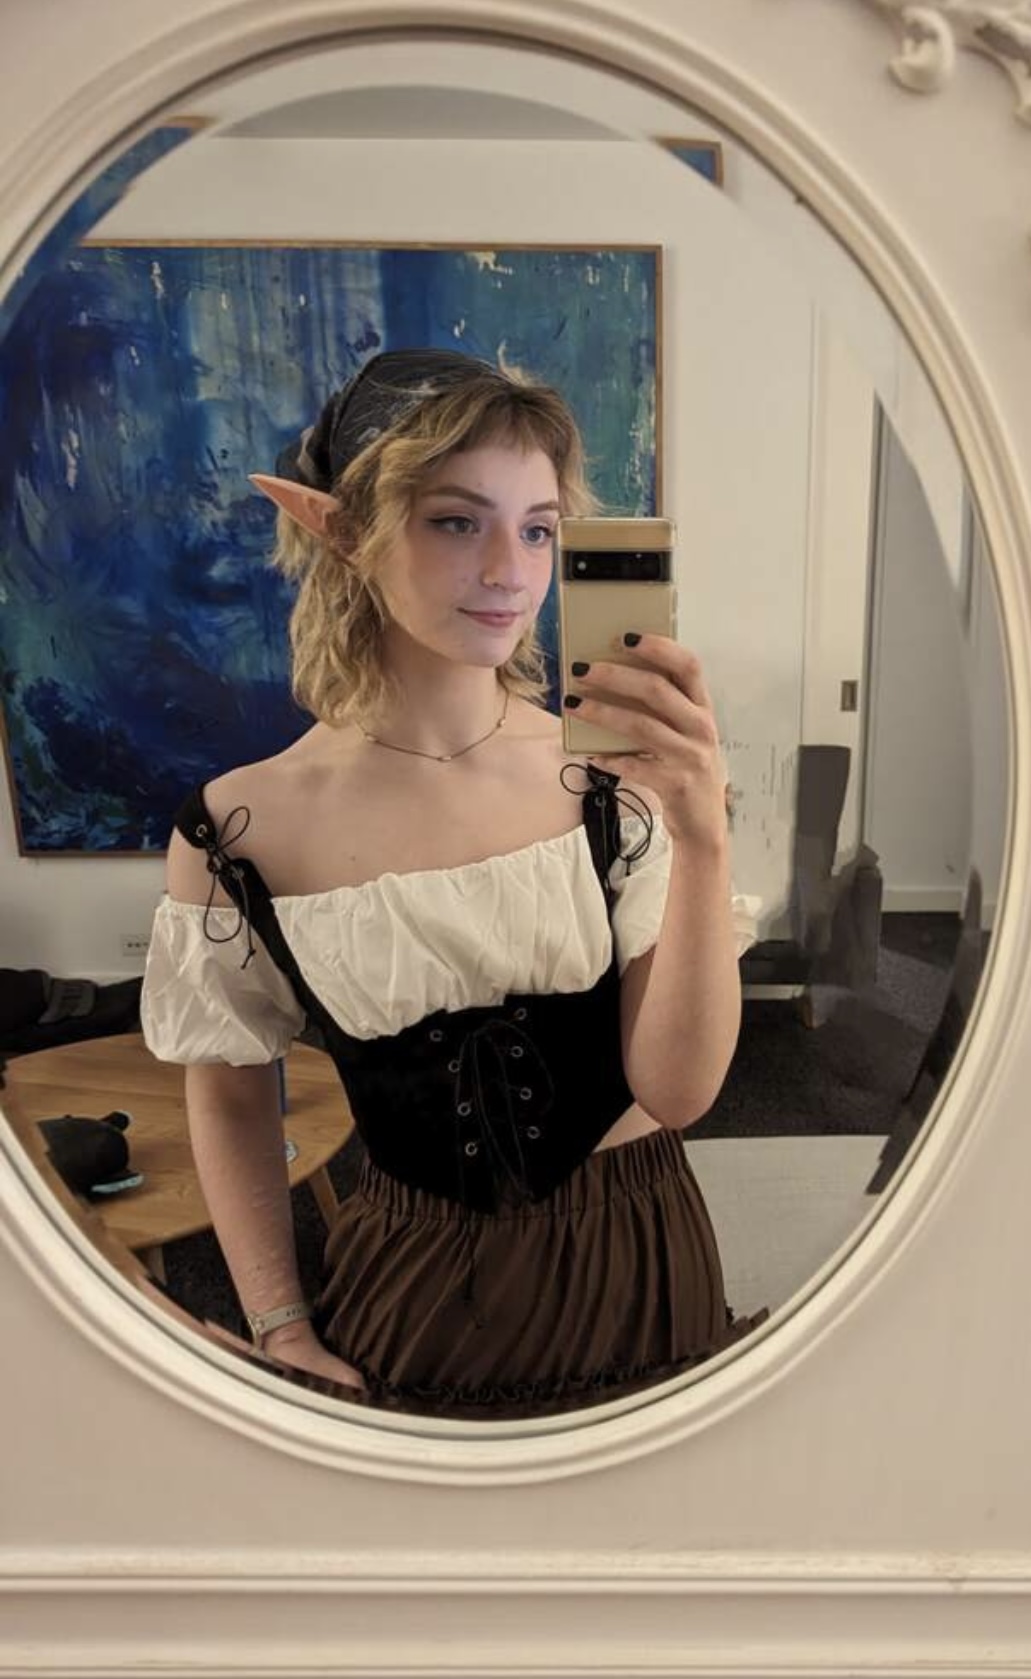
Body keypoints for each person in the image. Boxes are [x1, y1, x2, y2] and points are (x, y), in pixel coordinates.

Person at [139, 348, 761, 1418]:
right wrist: (280, 1319)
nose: (512, 571)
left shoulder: (612, 782)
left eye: (538, 528)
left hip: (638, 1250)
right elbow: (233, 1087)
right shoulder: (239, 829)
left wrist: (703, 835)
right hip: (414, 1276)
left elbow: (679, 1091)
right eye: (457, 521)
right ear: (345, 528)